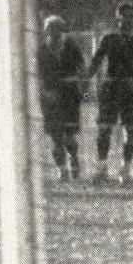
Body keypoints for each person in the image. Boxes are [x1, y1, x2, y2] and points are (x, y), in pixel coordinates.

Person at [84, 1, 133, 184]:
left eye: (132, 16)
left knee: (130, 130)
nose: (128, 20)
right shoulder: (109, 39)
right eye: (125, 16)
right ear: (118, 17)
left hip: (132, 89)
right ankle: (101, 168)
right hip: (111, 87)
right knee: (104, 129)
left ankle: (125, 169)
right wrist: (85, 81)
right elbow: (96, 61)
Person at [37, 15, 84, 181]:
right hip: (50, 96)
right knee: (56, 136)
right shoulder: (42, 50)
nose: (54, 32)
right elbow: (38, 75)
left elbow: (82, 68)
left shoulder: (71, 47)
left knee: (70, 134)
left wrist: (81, 90)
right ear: (46, 31)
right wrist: (44, 92)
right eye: (51, 29)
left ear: (62, 30)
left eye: (58, 28)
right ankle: (62, 169)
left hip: (69, 94)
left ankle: (74, 161)